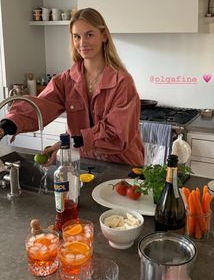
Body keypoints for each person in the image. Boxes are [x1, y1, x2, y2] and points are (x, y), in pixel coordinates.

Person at [0, 8, 144, 166]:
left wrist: (69, 142)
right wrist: (6, 126)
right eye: (77, 36)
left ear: (103, 36)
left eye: (89, 35)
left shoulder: (122, 82)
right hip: (82, 163)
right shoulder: (66, 80)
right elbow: (39, 107)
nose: (82, 43)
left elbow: (118, 133)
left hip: (121, 165)